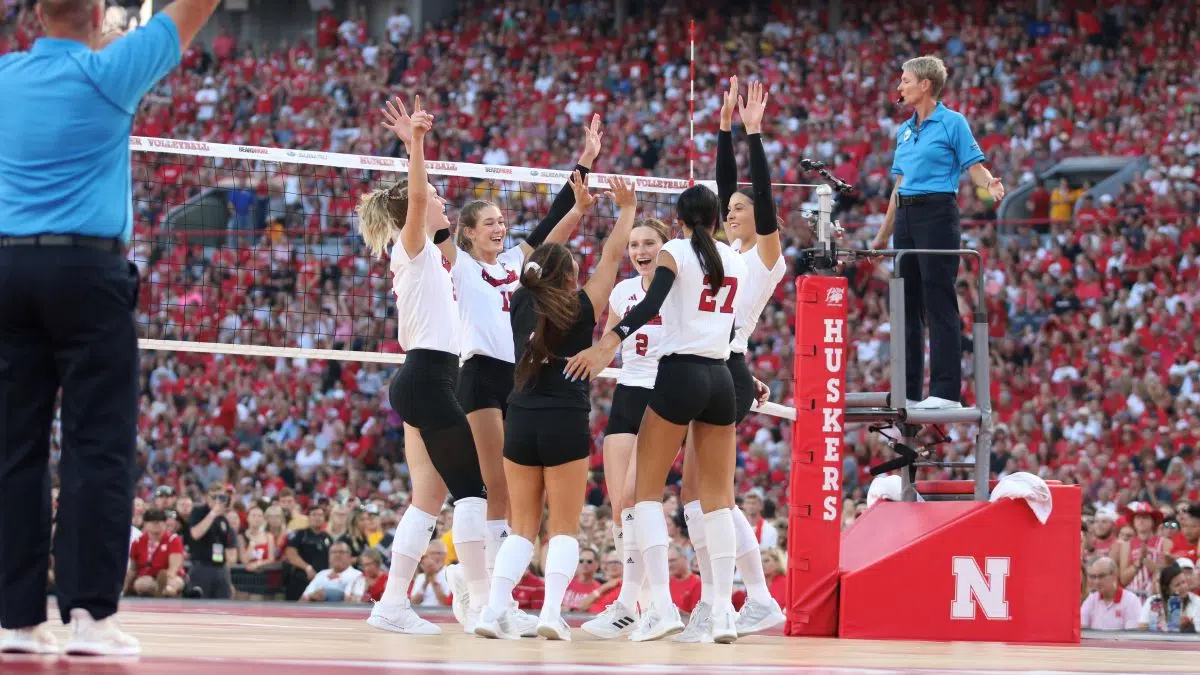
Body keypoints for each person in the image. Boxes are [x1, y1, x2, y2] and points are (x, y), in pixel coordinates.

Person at [0, 0, 219, 657]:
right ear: (97, 13)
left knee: (14, 448)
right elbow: (196, 6)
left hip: (8, 268)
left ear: (36, 14)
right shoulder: (110, 71)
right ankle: (89, 617)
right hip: (87, 273)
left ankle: (12, 620)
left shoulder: (7, 76)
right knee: (98, 445)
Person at [355, 95, 520, 636]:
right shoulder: (415, 248)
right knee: (471, 492)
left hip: (426, 379)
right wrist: (415, 144)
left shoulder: (441, 259)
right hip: (426, 378)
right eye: (436, 201)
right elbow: (421, 194)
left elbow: (445, 225)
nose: (444, 204)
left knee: (427, 500)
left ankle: (392, 604)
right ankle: (479, 603)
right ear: (418, 211)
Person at [567, 180, 750, 643]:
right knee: (718, 501)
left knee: (643, 495)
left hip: (680, 374)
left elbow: (650, 303)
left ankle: (662, 608)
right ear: (714, 219)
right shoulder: (733, 259)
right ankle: (725, 612)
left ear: (681, 222)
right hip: (721, 378)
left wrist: (610, 340)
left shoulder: (675, 251)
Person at [442, 115, 603, 629]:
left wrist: (584, 165)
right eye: (488, 223)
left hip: (517, 380)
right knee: (493, 488)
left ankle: (491, 596)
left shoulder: (519, 262)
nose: (499, 228)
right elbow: (431, 228)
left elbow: (556, 229)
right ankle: (485, 595)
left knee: (509, 497)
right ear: (468, 232)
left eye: (500, 222)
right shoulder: (463, 266)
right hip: (478, 375)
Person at [475, 176, 636, 641]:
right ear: (570, 277)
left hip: (520, 418)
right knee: (563, 528)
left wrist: (576, 211)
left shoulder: (520, 299)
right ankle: (549, 614)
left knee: (522, 528)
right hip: (565, 421)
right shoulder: (583, 307)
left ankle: (491, 612)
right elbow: (610, 258)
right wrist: (625, 210)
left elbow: (540, 255)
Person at [675, 77, 787, 643]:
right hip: (721, 363)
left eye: (742, 208)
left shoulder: (767, 256)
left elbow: (760, 198)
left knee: (705, 494)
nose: (734, 211)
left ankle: (728, 603)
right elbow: (725, 190)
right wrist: (722, 131)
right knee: (697, 495)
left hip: (726, 367)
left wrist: (754, 134)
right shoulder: (727, 250)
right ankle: (755, 598)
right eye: (731, 208)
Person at [870, 55, 1005, 411]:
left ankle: (945, 392)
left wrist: (989, 183)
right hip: (906, 218)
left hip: (937, 214)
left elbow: (973, 166)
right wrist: (884, 234)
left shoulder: (953, 122)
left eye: (906, 80)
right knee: (906, 302)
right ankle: (911, 392)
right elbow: (900, 184)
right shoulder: (904, 130)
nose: (900, 87)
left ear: (926, 85)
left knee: (938, 299)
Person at [579, 216, 672, 638]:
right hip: (629, 389)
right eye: (634, 245)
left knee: (639, 495)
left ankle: (638, 601)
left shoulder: (679, 285)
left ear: (664, 246)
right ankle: (634, 604)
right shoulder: (622, 291)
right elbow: (610, 345)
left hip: (666, 389)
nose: (639, 251)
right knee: (621, 505)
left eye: (648, 243)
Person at [1080, 557, 1142, 630]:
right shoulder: (1091, 600)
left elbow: (1132, 635)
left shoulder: (1131, 600)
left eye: (1101, 576)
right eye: (1094, 577)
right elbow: (1082, 629)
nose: (1097, 582)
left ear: (1114, 575)